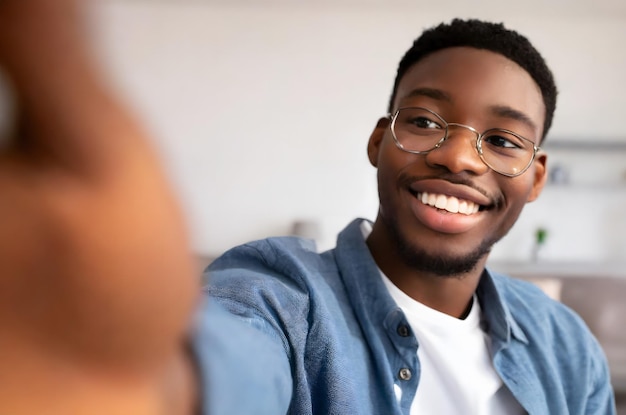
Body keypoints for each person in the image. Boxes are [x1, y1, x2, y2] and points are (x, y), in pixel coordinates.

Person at [205, 19, 616, 414]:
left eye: (502, 141)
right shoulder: (284, 304)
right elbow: (217, 363)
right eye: (424, 121)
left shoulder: (568, 345)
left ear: (536, 178)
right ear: (379, 142)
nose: (457, 158)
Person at [0, 0, 289, 414]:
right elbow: (256, 346)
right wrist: (142, 380)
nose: (422, 155)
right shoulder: (285, 286)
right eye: (418, 120)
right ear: (376, 140)